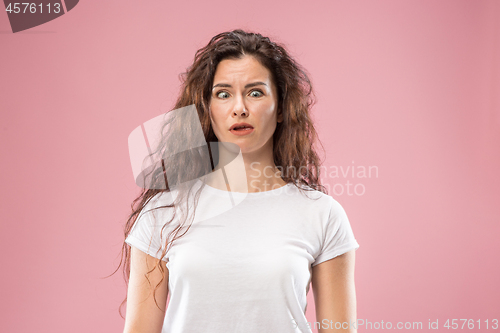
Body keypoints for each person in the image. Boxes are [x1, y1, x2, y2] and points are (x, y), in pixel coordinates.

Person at [120, 29, 360, 333]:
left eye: (255, 92)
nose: (239, 108)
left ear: (283, 107)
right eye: (223, 94)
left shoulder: (322, 214)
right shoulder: (163, 212)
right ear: (206, 109)